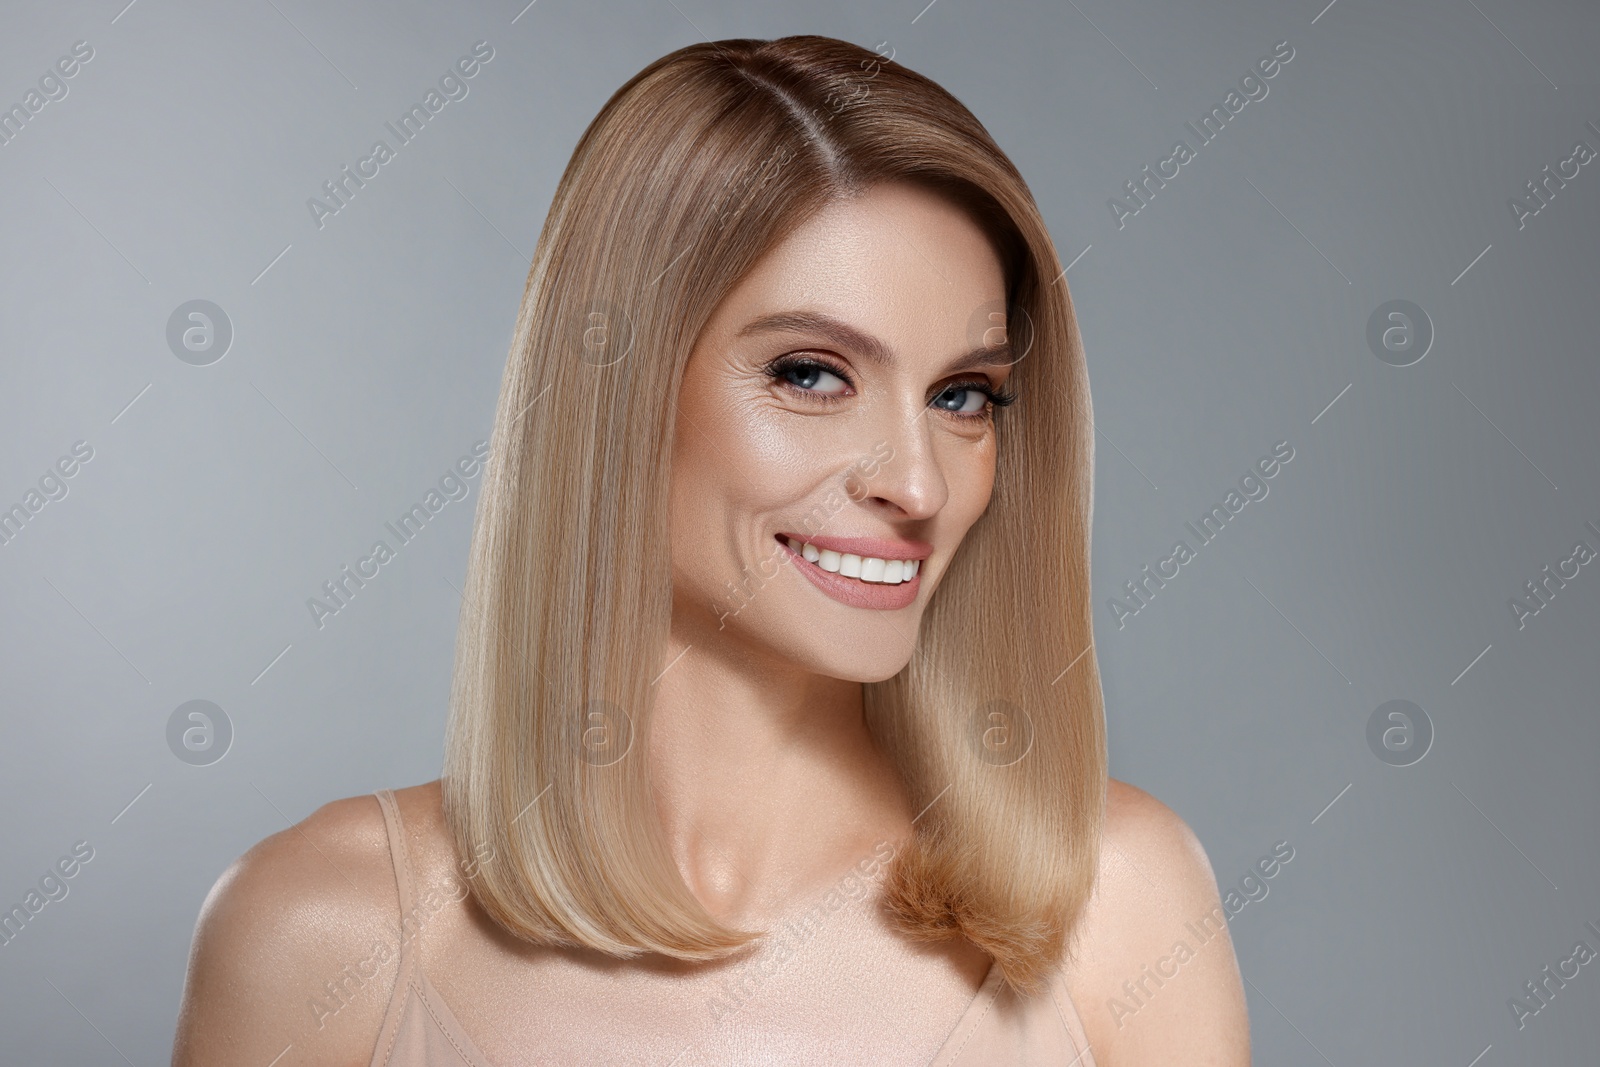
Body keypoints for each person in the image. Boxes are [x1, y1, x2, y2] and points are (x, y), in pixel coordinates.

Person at [172, 35, 1250, 1065]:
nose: (917, 482)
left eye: (963, 394)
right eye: (812, 374)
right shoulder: (321, 934)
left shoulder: (1118, 903)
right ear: (617, 391)